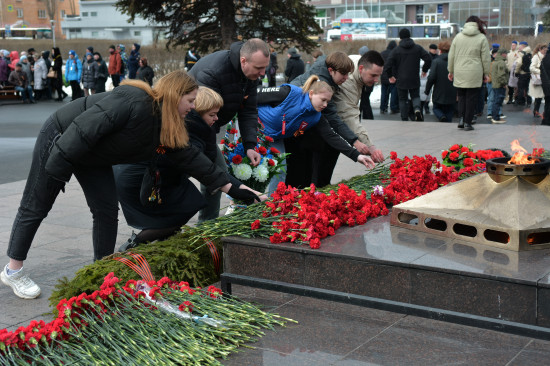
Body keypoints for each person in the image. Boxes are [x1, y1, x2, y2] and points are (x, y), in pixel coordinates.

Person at [0, 70, 260, 300]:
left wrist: (236, 190)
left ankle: (100, 272)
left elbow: (194, 160)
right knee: (37, 204)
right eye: (190, 101)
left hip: (94, 153)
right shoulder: (132, 100)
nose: (193, 107)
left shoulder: (167, 126)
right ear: (174, 95)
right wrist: (57, 172)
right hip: (62, 138)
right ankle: (13, 270)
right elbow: (83, 129)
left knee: (106, 209)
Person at [114, 86, 264, 250]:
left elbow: (213, 169)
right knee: (183, 209)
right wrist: (248, 193)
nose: (216, 119)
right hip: (139, 177)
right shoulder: (188, 131)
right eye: (211, 115)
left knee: (178, 213)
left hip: (158, 178)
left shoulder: (200, 129)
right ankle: (134, 245)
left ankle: (157, 247)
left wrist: (252, 194)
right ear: (198, 112)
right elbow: (202, 168)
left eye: (217, 114)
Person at [189, 38, 269, 222]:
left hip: (208, 125)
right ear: (244, 61)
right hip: (189, 128)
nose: (263, 73)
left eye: (265, 67)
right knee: (214, 174)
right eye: (259, 68)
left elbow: (248, 110)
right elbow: (203, 115)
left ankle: (207, 226)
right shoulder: (214, 72)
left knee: (216, 176)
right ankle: (199, 229)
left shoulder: (249, 75)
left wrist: (250, 145)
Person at [257, 75, 375, 192]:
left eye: (328, 102)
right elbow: (256, 95)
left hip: (273, 138)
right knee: (252, 168)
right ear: (311, 93)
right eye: (323, 100)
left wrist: (357, 156)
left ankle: (272, 204)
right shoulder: (290, 93)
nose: (325, 105)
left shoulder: (315, 117)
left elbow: (331, 136)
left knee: (280, 170)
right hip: (254, 126)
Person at [291, 51, 372, 188]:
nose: (346, 78)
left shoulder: (327, 77)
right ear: (331, 70)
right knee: (299, 173)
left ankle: (314, 188)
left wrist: (354, 145)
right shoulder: (323, 84)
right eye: (343, 74)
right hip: (293, 130)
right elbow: (334, 120)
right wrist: (355, 142)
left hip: (301, 127)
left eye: (348, 74)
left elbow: (331, 126)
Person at [332, 50, 385, 166]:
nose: (377, 80)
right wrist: (371, 147)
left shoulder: (357, 63)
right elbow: (349, 116)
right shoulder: (348, 81)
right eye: (373, 75)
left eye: (379, 75)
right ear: (361, 69)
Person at [448, 15, 490, 131]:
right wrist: (486, 73)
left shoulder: (458, 37)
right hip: (475, 72)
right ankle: (468, 122)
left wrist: (450, 70)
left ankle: (461, 119)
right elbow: (486, 58)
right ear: (478, 24)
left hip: (460, 71)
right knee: (471, 98)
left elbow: (451, 56)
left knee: (461, 96)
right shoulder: (481, 38)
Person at [385, 28, 431, 122]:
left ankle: (404, 118)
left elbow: (387, 65)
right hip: (414, 77)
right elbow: (428, 58)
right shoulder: (417, 48)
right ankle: (417, 109)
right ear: (409, 36)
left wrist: (390, 76)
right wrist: (425, 70)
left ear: (400, 37)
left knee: (402, 99)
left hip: (401, 78)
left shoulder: (396, 50)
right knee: (415, 96)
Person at [424, 41, 456, 123]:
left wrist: (427, 90)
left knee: (436, 108)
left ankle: (441, 116)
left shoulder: (436, 62)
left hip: (439, 92)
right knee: (449, 111)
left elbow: (431, 77)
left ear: (440, 51)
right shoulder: (455, 62)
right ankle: (447, 123)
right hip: (452, 91)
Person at [489, 49, 509, 124]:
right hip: (500, 85)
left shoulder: (495, 62)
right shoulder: (501, 63)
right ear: (502, 54)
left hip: (495, 84)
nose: (506, 55)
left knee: (495, 101)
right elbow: (501, 75)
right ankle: (496, 118)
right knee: (498, 101)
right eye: (505, 53)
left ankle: (495, 116)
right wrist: (504, 83)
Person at [380, 40, 399, 114]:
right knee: (394, 93)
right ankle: (393, 107)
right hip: (393, 77)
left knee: (384, 93)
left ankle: (383, 107)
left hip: (384, 77)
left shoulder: (382, 53)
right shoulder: (395, 54)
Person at [529, 44, 547, 118]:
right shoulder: (536, 57)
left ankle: (543, 112)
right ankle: (536, 111)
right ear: (540, 49)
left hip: (544, 79)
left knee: (544, 96)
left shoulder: (545, 57)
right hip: (538, 80)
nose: (545, 51)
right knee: (538, 97)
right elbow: (531, 68)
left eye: (546, 50)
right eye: (544, 50)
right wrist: (541, 71)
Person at [515, 42, 532, 107]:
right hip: (529, 73)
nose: (519, 47)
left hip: (522, 73)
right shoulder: (530, 53)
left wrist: (516, 72)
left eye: (520, 46)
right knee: (528, 88)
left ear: (523, 46)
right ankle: (529, 101)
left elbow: (519, 63)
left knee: (521, 88)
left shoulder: (522, 53)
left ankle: (521, 101)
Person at [540, 43, 550, 126]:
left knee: (547, 103)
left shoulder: (544, 59)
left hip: (545, 85)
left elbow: (541, 73)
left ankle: (545, 120)